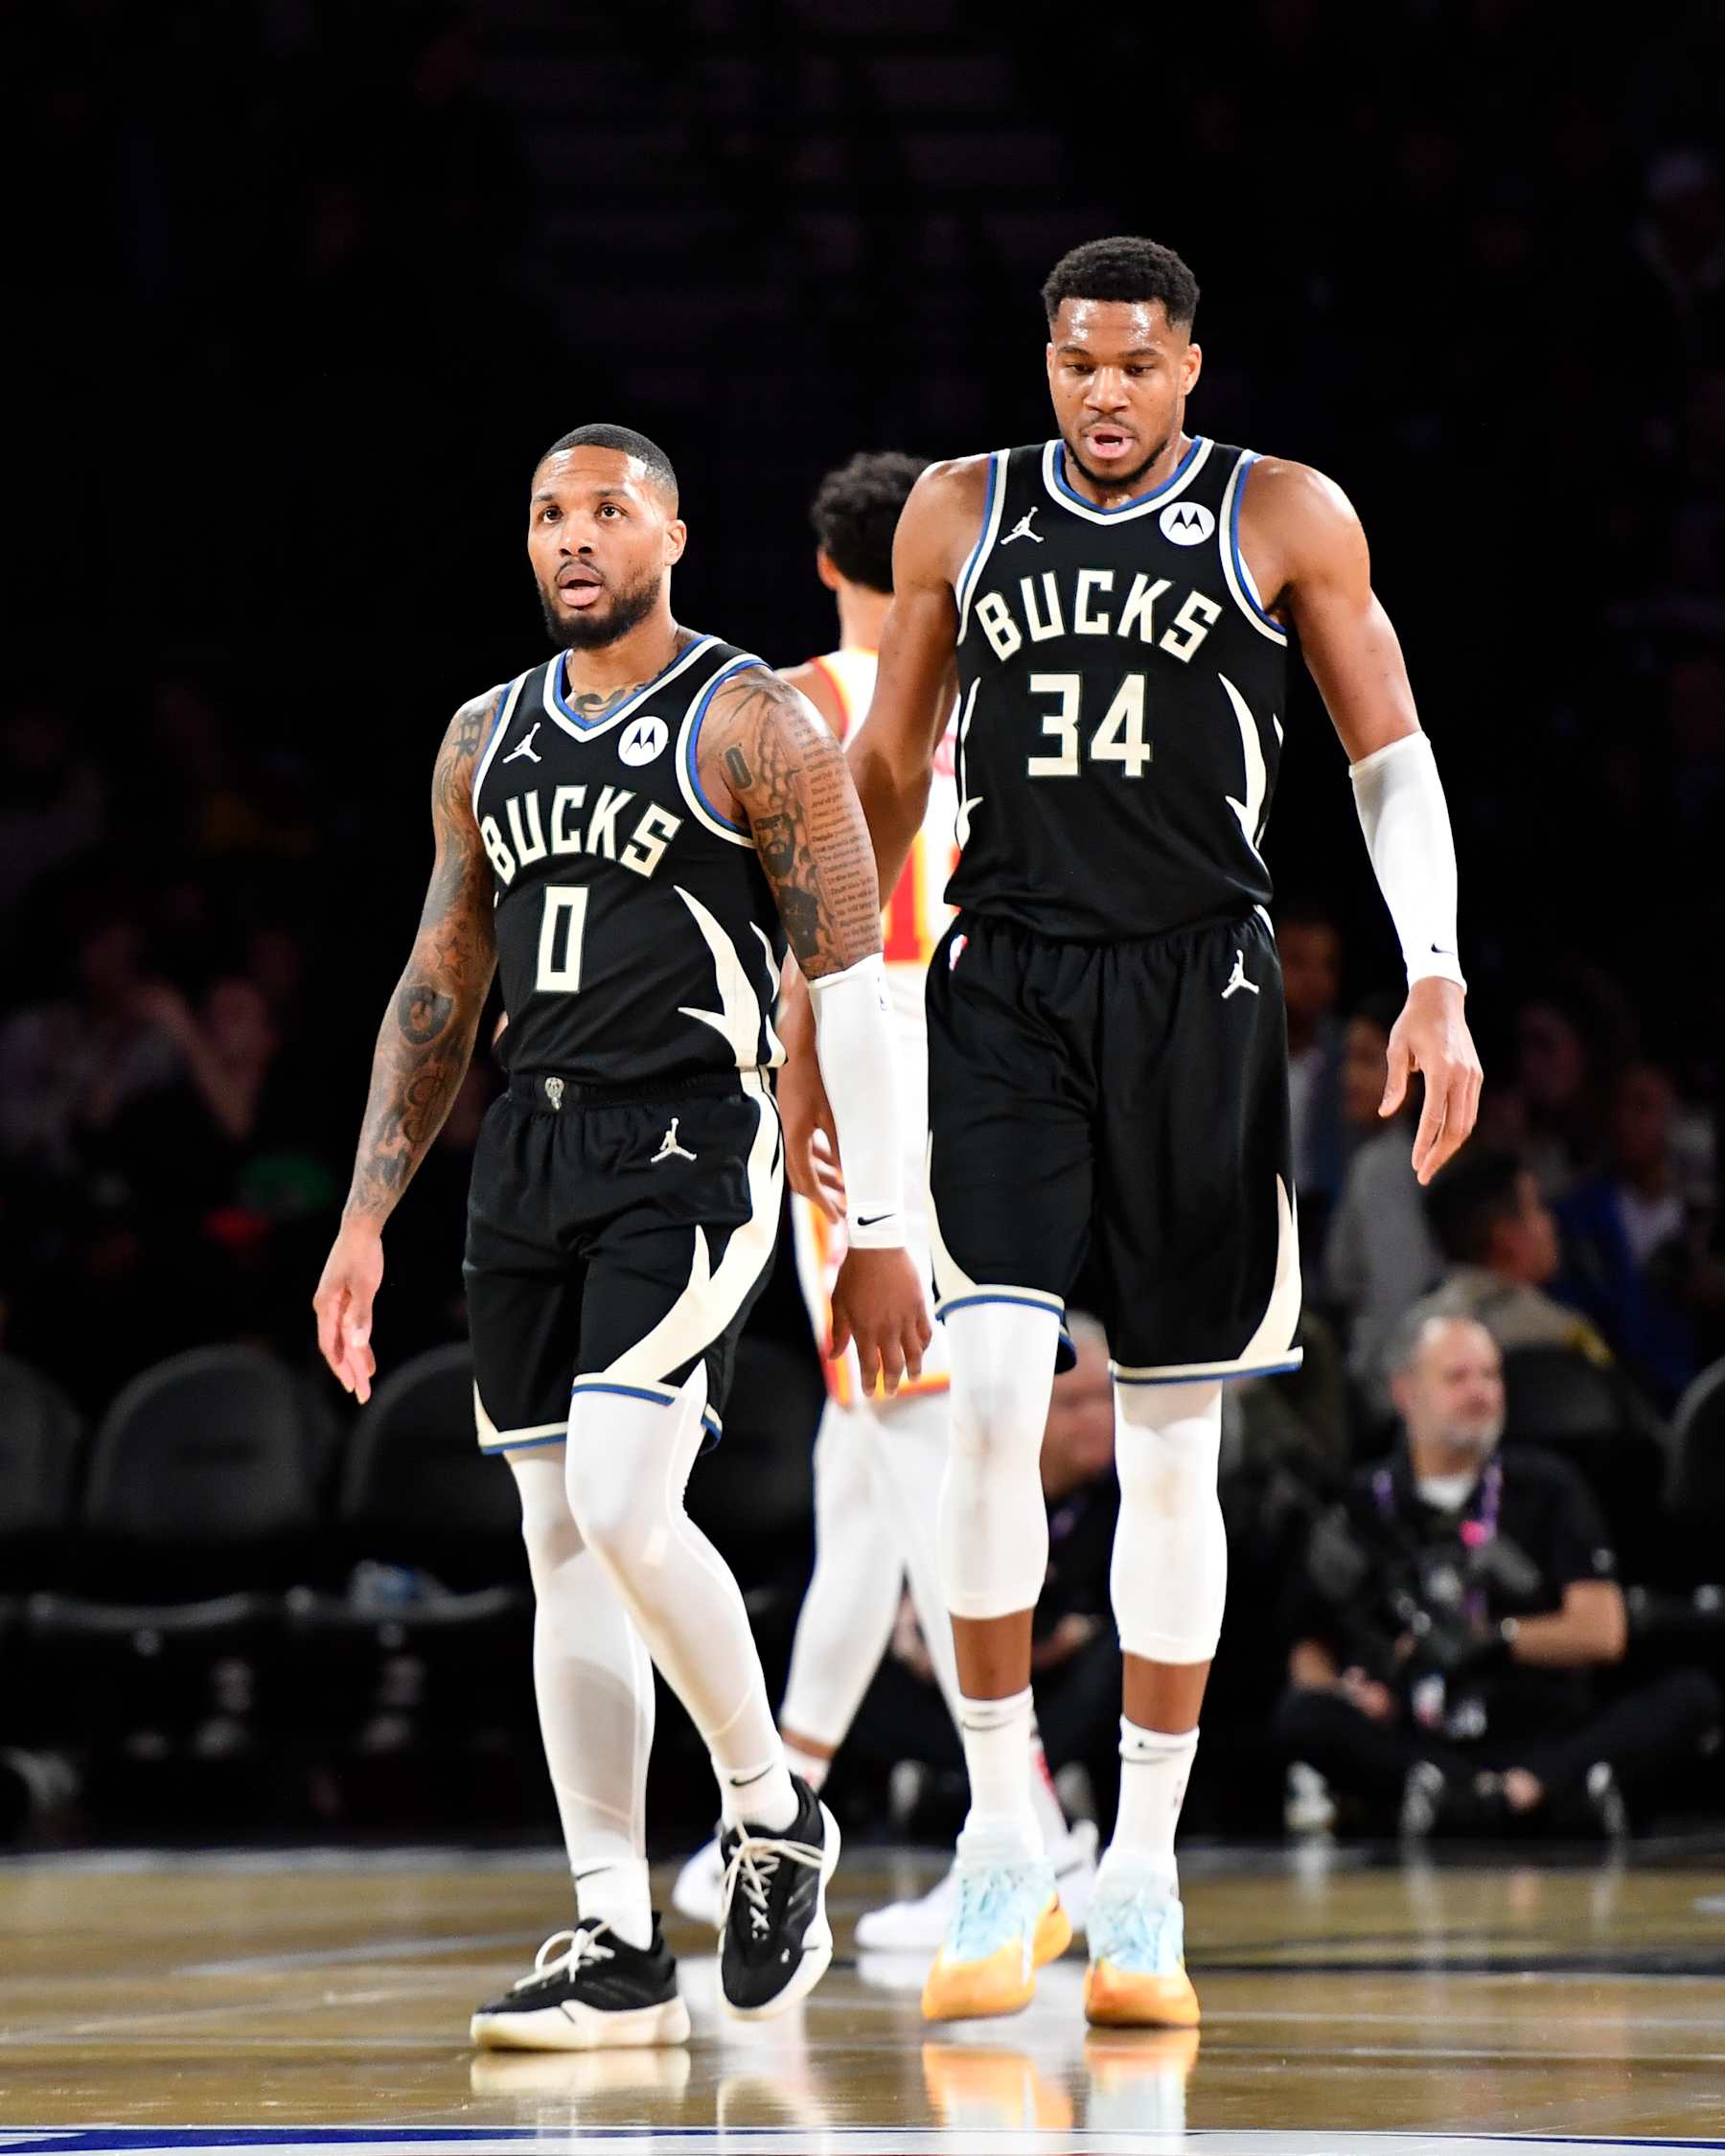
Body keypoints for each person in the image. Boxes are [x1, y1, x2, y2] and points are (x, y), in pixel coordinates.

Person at [780, 235, 1483, 2028]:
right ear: (1048, 364)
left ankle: (1146, 1875)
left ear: (1188, 367)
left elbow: (1389, 757)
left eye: (1136, 364)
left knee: (1174, 1450)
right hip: (1006, 981)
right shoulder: (961, 510)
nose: (1105, 392)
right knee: (991, 1406)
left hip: (1202, 992)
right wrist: (816, 996)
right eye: (1077, 363)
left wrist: (1436, 973)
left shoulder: (1282, 512)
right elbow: (886, 774)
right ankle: (1004, 1831)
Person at [311, 424, 930, 2049]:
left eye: (607, 510)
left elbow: (850, 978)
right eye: (547, 513)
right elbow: (441, 980)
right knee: (559, 1540)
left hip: (694, 1139)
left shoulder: (756, 719)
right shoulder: (483, 735)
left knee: (617, 1497)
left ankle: (772, 1812)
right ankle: (614, 1933)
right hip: (531, 1144)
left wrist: (875, 1225)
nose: (573, 536)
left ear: (672, 537)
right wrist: (366, 1213)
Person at [672, 451, 1094, 1949]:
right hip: (1004, 1043)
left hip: (863, 1049)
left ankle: (1028, 1830)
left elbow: (716, 903)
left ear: (822, 564)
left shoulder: (787, 705)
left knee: (919, 1432)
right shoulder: (994, 691)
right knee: (863, 1472)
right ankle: (772, 1816)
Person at [1276, 1314, 1720, 1835]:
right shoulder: (1362, 1502)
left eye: (1490, 1375)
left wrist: (1497, 1641)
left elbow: (1604, 1631)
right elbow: (1309, 1647)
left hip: (1543, 1729)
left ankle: (1517, 1788)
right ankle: (1505, 1791)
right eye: (1457, 1377)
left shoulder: (1549, 1485)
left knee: (1693, 1696)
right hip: (1422, 1734)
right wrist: (1346, 1691)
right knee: (1304, 1716)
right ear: (1406, 1392)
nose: (1481, 1392)